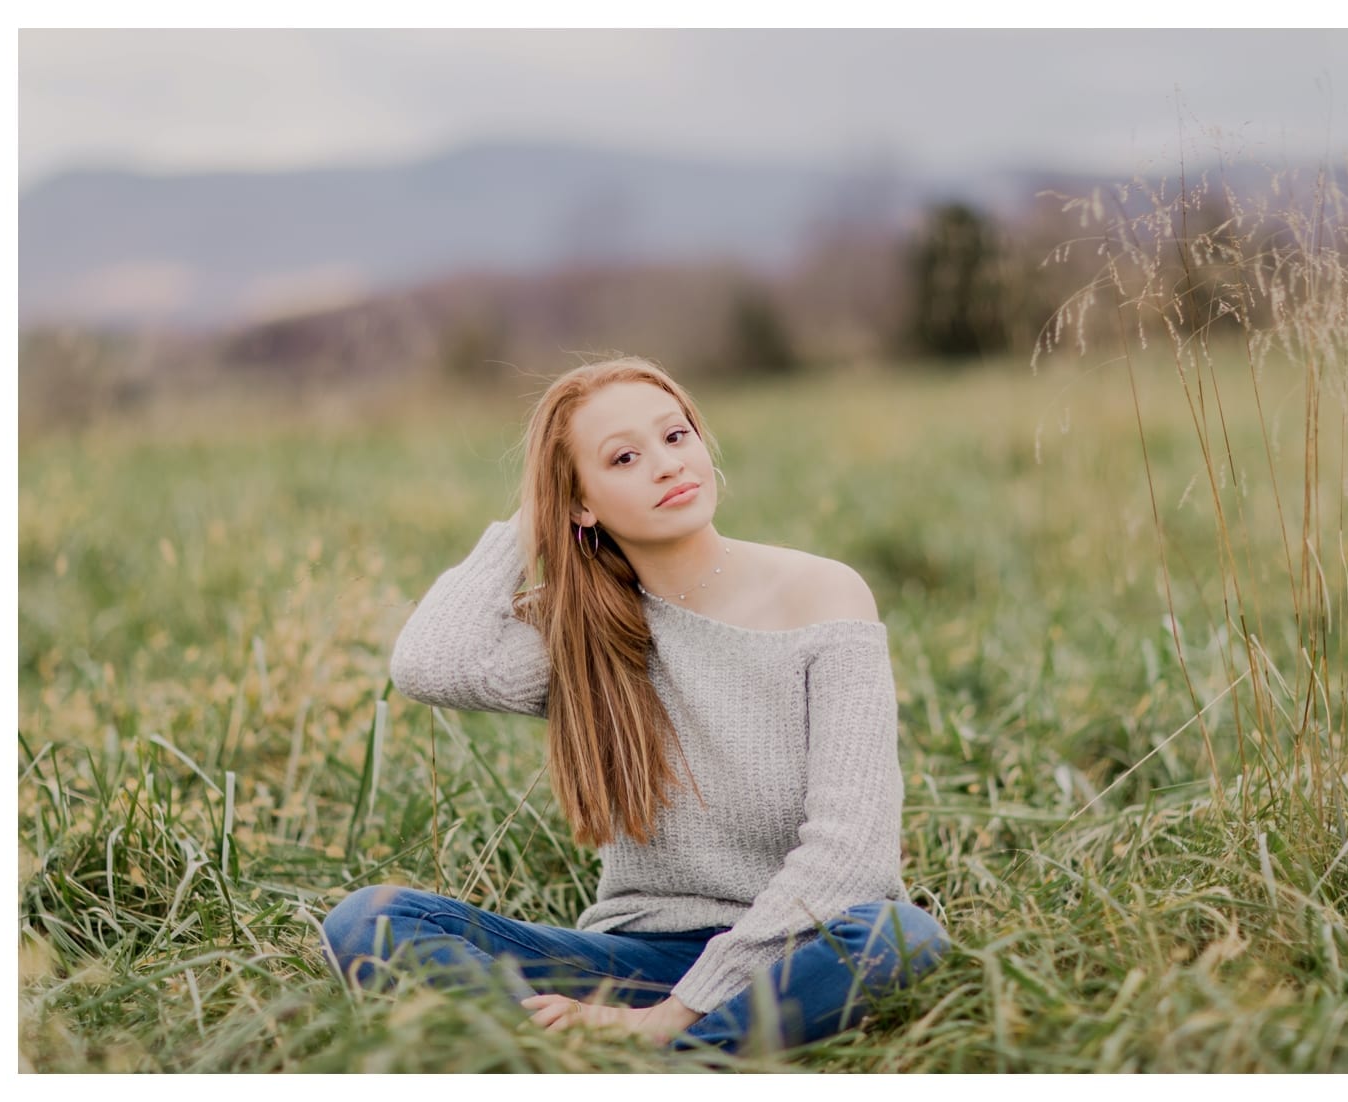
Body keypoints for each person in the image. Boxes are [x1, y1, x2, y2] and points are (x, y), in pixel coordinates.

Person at [321, 356, 950, 1053]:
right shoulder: (587, 631)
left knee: (900, 935)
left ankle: (647, 1062)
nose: (666, 464)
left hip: (797, 951)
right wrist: (534, 521)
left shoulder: (824, 596)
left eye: (676, 437)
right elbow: (429, 664)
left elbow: (854, 857)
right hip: (633, 961)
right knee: (369, 919)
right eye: (624, 457)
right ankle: (571, 1052)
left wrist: (673, 1015)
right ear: (581, 502)